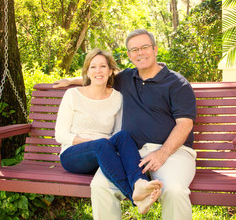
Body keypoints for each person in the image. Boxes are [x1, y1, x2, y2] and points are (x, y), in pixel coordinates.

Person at [54, 29, 197, 220]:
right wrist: (71, 80)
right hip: (130, 154)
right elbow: (98, 78)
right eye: (134, 49)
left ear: (155, 49)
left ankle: (139, 192)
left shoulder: (177, 83)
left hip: (172, 152)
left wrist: (163, 153)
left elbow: (185, 124)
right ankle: (138, 192)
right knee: (100, 187)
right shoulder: (126, 78)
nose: (140, 53)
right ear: (129, 55)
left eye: (145, 47)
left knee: (174, 190)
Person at [54, 48, 163, 215]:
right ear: (87, 71)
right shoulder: (72, 95)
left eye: (103, 66)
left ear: (110, 70)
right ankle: (134, 198)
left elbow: (117, 132)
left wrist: (103, 144)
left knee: (124, 136)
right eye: (93, 67)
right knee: (101, 144)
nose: (98, 71)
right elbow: (60, 135)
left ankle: (139, 183)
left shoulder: (117, 98)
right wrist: (95, 143)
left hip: (104, 154)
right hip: (73, 155)